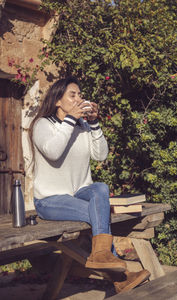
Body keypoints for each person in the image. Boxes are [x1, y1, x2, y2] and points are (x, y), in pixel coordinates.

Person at [29, 76, 150, 293]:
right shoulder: (43, 125)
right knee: (97, 212)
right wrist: (70, 120)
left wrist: (93, 123)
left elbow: (101, 155)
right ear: (58, 100)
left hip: (78, 193)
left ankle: (101, 256)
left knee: (100, 188)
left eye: (80, 95)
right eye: (72, 95)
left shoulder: (83, 126)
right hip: (50, 200)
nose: (78, 99)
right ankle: (120, 277)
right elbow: (54, 153)